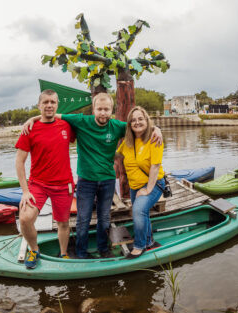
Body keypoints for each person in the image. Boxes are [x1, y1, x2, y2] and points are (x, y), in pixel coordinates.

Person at [24, 93, 162, 259]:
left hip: (107, 180)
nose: (103, 113)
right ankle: (81, 252)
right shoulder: (82, 121)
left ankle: (103, 249)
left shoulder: (117, 126)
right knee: (83, 219)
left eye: (106, 109)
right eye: (99, 109)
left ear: (111, 110)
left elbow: (138, 125)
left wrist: (156, 129)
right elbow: (52, 113)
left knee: (104, 218)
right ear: (93, 109)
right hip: (86, 180)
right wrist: (32, 118)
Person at [16, 89, 76, 269]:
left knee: (63, 222)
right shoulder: (30, 128)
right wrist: (25, 191)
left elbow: (91, 127)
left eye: (53, 102)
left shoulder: (66, 125)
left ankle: (64, 253)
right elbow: (20, 161)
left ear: (57, 105)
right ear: (39, 105)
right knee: (25, 218)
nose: (49, 105)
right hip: (38, 185)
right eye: (46, 102)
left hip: (63, 184)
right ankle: (34, 249)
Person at [116, 107, 166, 258]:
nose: (137, 122)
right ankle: (149, 241)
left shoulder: (154, 139)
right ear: (130, 124)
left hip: (154, 183)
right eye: (133, 120)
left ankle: (140, 245)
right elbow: (116, 155)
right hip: (134, 186)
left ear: (146, 120)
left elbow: (155, 166)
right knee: (142, 213)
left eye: (140, 119)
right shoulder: (128, 142)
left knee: (138, 210)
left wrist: (148, 189)